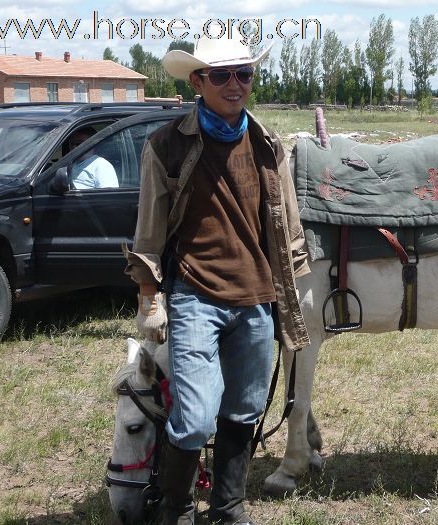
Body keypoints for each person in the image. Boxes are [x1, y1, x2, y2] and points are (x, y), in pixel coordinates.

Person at [123, 36, 310, 525]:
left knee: (245, 411)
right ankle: (175, 509)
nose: (235, 84)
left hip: (256, 298)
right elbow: (149, 230)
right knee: (197, 416)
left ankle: (229, 507)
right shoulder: (166, 144)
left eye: (243, 74)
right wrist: (149, 296)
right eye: (222, 75)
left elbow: (288, 228)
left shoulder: (268, 145)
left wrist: (293, 289)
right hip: (195, 296)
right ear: (197, 81)